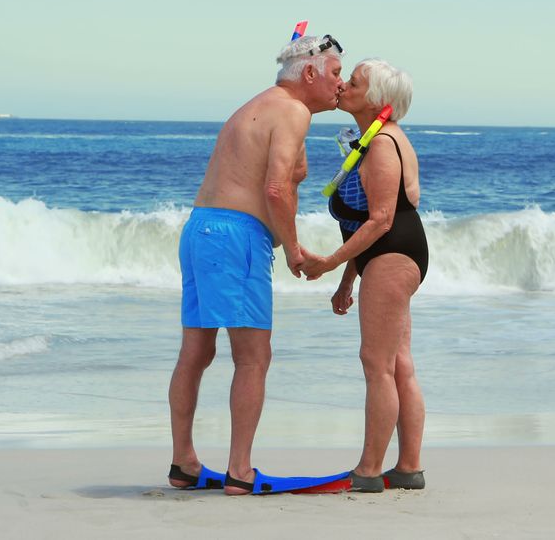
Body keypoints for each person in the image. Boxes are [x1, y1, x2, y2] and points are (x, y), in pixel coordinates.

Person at [168, 34, 345, 496]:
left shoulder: (263, 105)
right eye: (335, 73)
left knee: (197, 351)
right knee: (254, 357)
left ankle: (183, 462)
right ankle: (240, 471)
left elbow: (284, 174)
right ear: (309, 73)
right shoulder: (293, 111)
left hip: (200, 229)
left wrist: (296, 170)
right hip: (236, 238)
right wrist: (293, 248)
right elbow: (275, 190)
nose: (340, 85)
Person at [302, 59, 428, 492]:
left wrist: (330, 262)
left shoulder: (382, 144)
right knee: (397, 363)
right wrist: (348, 280)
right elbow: (366, 222)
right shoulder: (379, 137)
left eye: (352, 83)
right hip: (393, 254)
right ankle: (408, 467)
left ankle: (370, 470)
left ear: (376, 99)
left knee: (376, 364)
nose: (343, 87)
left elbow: (379, 220)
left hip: (392, 253)